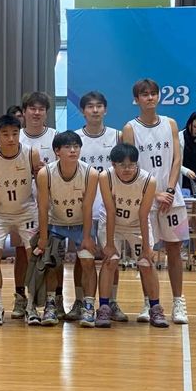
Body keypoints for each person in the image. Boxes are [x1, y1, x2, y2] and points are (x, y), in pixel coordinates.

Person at [123, 78, 189, 324]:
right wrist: (154, 193)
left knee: (174, 249)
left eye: (153, 93)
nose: (150, 97)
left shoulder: (170, 124)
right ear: (136, 99)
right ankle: (148, 301)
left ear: (158, 96)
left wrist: (169, 190)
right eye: (144, 94)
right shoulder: (130, 128)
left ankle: (178, 302)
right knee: (146, 252)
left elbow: (176, 159)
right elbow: (129, 166)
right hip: (144, 199)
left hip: (172, 198)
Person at [96, 143, 168, 328]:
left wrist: (147, 248)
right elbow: (110, 211)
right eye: (122, 165)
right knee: (110, 260)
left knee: (146, 263)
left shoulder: (148, 181)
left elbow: (144, 215)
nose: (127, 169)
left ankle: (155, 308)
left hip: (137, 224)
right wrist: (109, 244)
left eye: (131, 165)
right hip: (112, 223)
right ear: (113, 164)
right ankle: (104, 307)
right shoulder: (105, 177)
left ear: (137, 164)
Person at [35, 131, 99, 327]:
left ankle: (88, 306)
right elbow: (43, 207)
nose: (73, 150)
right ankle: (51, 304)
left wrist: (87, 237)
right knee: (52, 263)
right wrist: (43, 237)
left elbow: (87, 207)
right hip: (56, 223)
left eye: (76, 147)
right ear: (57, 151)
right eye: (68, 147)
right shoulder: (45, 174)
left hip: (81, 224)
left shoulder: (91, 173)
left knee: (87, 262)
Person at [73, 91, 126, 323]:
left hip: (109, 209)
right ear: (82, 111)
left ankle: (111, 302)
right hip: (81, 208)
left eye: (99, 106)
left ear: (105, 109)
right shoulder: (74, 139)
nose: (95, 110)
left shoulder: (118, 136)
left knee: (111, 258)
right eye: (90, 106)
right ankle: (79, 302)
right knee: (81, 259)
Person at [0, 115, 42, 325]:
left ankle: (31, 306)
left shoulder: (31, 153)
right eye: (5, 134)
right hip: (0, 214)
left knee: (33, 256)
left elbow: (41, 185)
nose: (10, 138)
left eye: (15, 134)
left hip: (27, 212)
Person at [13, 92, 59, 318]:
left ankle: (54, 299)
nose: (37, 113)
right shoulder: (15, 136)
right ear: (24, 112)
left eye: (41, 109)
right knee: (22, 253)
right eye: (32, 108)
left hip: (50, 204)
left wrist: (44, 171)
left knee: (52, 254)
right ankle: (20, 297)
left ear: (47, 113)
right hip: (20, 204)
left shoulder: (56, 137)